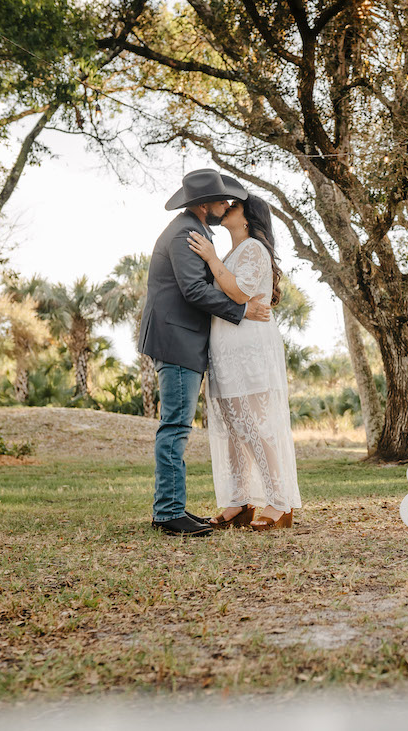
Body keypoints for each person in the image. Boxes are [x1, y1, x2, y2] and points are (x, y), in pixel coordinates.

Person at [139, 169, 272, 537]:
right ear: (203, 204)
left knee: (176, 425)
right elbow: (194, 291)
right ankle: (168, 514)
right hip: (176, 340)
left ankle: (171, 507)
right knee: (175, 427)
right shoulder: (185, 234)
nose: (227, 204)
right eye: (221, 199)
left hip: (182, 340)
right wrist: (243, 311)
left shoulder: (194, 231)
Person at [187, 192, 301, 531]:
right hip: (225, 348)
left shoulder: (254, 249)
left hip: (249, 348)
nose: (225, 207)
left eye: (233, 205)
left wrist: (210, 259)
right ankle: (239, 501)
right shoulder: (232, 253)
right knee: (234, 428)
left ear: (248, 217)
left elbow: (239, 293)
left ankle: (280, 502)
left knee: (256, 425)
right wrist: (216, 259)